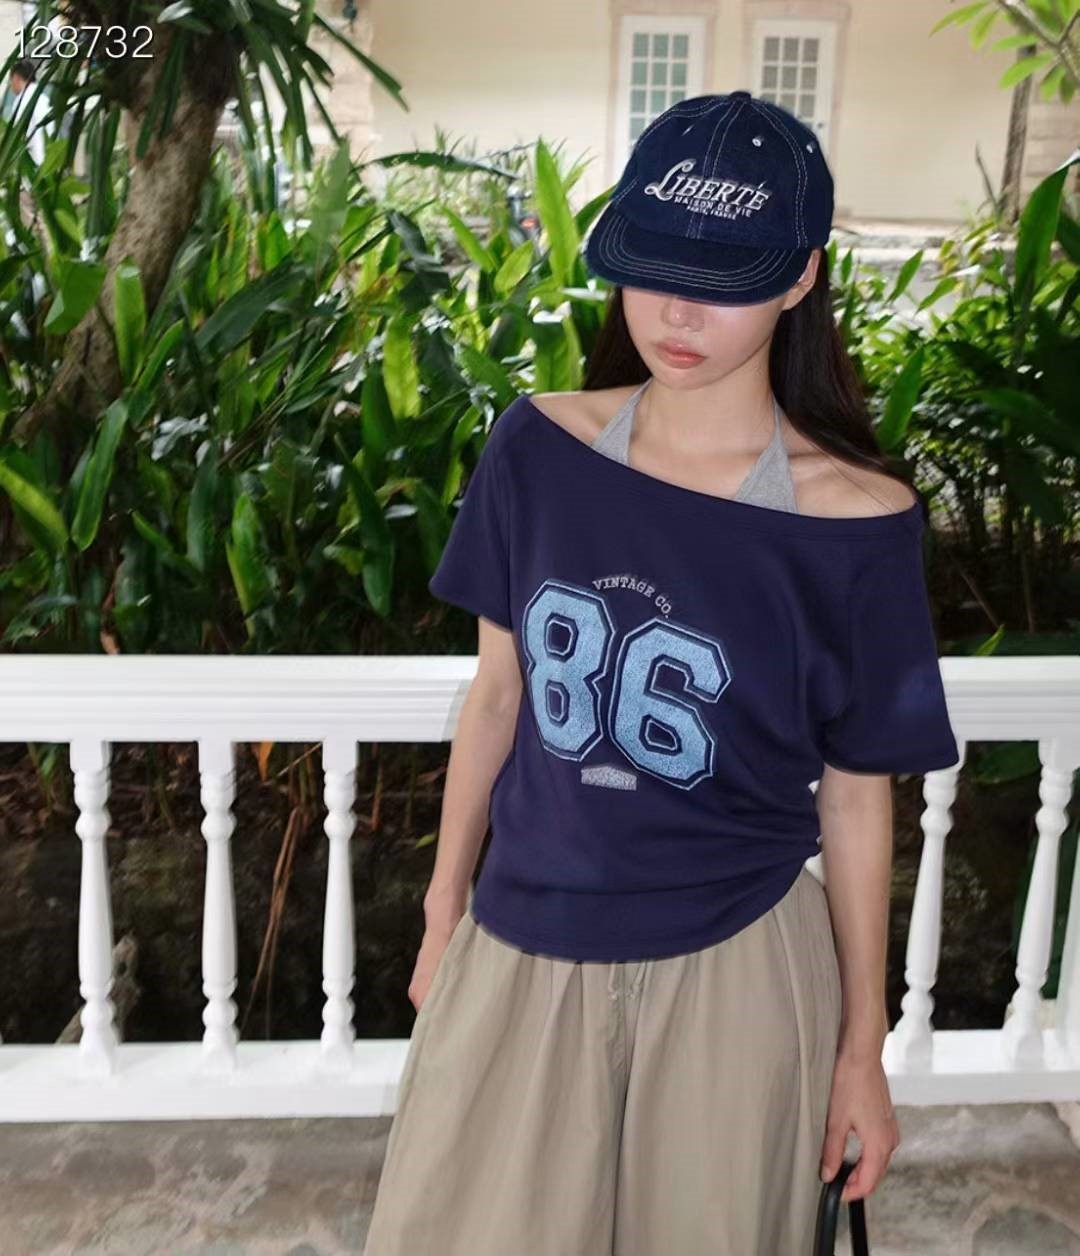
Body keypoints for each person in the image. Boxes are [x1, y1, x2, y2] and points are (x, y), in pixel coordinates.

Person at [363, 90, 960, 1256]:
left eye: (723, 276)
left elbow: (855, 797)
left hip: (738, 966)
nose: (678, 311)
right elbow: (498, 699)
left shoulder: (860, 522)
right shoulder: (537, 448)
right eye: (652, 266)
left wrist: (862, 1049)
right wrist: (442, 914)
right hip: (521, 941)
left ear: (800, 276)